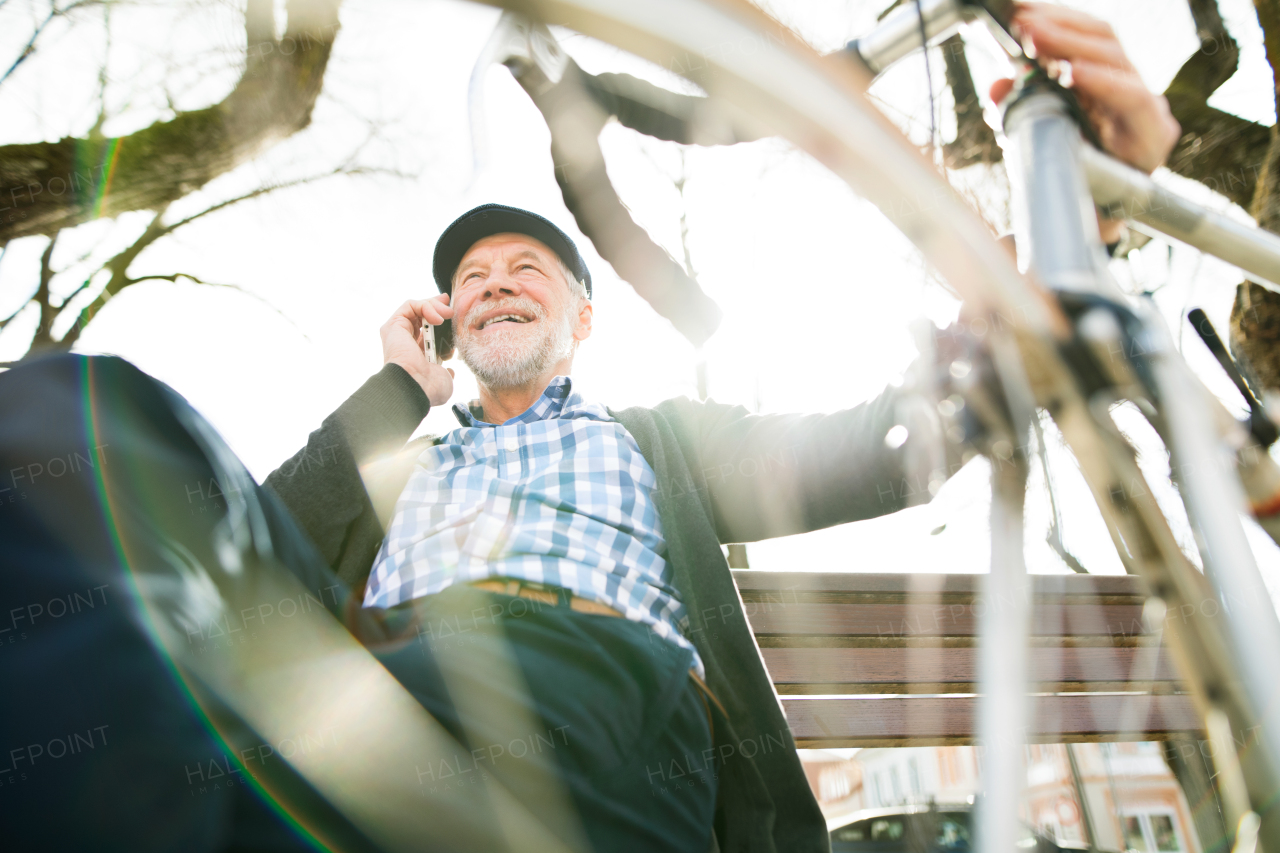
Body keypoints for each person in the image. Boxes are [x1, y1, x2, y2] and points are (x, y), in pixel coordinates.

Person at [0, 5, 1178, 851]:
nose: (495, 282)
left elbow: (888, 437)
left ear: (582, 315)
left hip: (590, 710)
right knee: (81, 412)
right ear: (446, 319)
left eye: (527, 268)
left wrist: (1069, 253)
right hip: (360, 706)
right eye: (470, 275)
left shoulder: (659, 443)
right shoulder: (398, 457)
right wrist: (396, 395)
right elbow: (240, 549)